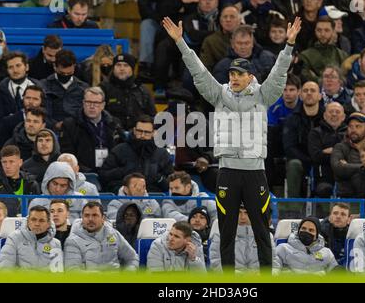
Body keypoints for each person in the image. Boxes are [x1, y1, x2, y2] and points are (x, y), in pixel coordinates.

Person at [162, 15, 301, 271]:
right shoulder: (219, 95)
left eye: (239, 74)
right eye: (231, 74)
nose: (234, 78)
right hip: (226, 171)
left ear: (250, 76)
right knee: (226, 233)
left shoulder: (263, 95)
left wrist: (289, 46)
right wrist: (181, 42)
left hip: (255, 172)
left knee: (262, 232)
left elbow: (280, 73)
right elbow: (198, 72)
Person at [100, 115, 173, 193]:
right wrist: (124, 171)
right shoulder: (119, 150)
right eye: (139, 131)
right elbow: (104, 176)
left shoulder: (162, 154)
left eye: (147, 132)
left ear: (153, 133)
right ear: (134, 130)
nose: (142, 135)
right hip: (123, 196)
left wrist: (159, 179)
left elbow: (171, 182)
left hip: (153, 197)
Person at [60, 87, 122, 173]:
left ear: (103, 105)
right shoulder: (70, 125)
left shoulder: (114, 123)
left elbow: (120, 151)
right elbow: (68, 154)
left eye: (96, 103)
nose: (92, 106)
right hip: (83, 173)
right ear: (83, 103)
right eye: (88, 102)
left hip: (110, 172)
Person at [64, 202, 139, 271]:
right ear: (82, 218)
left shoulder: (113, 234)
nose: (90, 219)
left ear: (103, 218)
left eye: (95, 215)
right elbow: (72, 271)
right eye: (87, 216)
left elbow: (133, 258)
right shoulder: (73, 241)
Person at [283, 81, 323, 197]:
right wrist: (308, 159)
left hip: (321, 160)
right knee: (294, 164)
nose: (309, 93)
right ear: (300, 95)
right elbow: (289, 147)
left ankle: (326, 207)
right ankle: (293, 208)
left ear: (320, 95)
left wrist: (318, 157)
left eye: (313, 90)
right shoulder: (292, 119)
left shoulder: (326, 117)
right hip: (300, 160)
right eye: (305, 91)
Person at [210, 204, 278, 273]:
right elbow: (215, 263)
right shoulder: (220, 235)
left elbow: (275, 265)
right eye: (239, 212)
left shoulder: (266, 236)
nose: (242, 217)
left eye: (247, 213)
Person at [99, 54, 156, 131]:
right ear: (113, 68)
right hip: (111, 134)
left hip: (138, 135)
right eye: (118, 65)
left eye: (126, 65)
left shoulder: (143, 90)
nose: (122, 68)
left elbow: (152, 116)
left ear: (132, 69)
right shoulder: (103, 88)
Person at [0, 206, 63, 271]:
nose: (37, 224)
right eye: (33, 220)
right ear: (28, 221)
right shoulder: (14, 238)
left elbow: (57, 273)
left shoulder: (55, 244)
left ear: (48, 224)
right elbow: (4, 268)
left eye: (42, 220)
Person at [0, 145, 40, 217]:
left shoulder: (32, 184)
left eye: (11, 162)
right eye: (4, 162)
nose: (7, 166)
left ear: (20, 162)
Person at [43, 49, 88, 132]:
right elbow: (41, 111)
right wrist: (54, 125)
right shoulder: (44, 85)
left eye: (69, 73)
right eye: (62, 73)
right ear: (55, 67)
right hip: (50, 131)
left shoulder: (83, 88)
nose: (66, 75)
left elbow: (85, 113)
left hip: (77, 131)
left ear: (74, 67)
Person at [308, 102, 347, 197]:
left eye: (337, 112)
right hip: (323, 179)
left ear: (343, 117)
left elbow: (351, 155)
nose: (334, 114)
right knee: (325, 190)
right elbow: (316, 156)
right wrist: (339, 155)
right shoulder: (315, 133)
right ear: (325, 116)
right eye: (331, 112)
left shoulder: (349, 133)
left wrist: (330, 151)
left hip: (346, 178)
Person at [0, 51, 41, 125]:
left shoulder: (40, 88)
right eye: (10, 67)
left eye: (18, 65)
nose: (15, 70)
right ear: (7, 70)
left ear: (27, 67)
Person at [299, 17, 348, 83]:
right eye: (319, 30)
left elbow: (345, 80)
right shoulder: (305, 56)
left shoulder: (342, 55)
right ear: (315, 31)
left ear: (333, 31)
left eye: (326, 30)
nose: (322, 34)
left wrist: (316, 78)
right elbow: (305, 77)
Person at [0, 85, 45, 151]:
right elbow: (1, 152)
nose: (31, 102)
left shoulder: (47, 122)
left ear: (41, 101)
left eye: (35, 99)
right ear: (23, 98)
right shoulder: (7, 122)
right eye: (28, 98)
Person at [199, 5, 241, 72]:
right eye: (225, 17)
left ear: (239, 21)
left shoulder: (248, 37)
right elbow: (205, 67)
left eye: (232, 17)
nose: (228, 20)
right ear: (221, 21)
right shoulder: (210, 41)